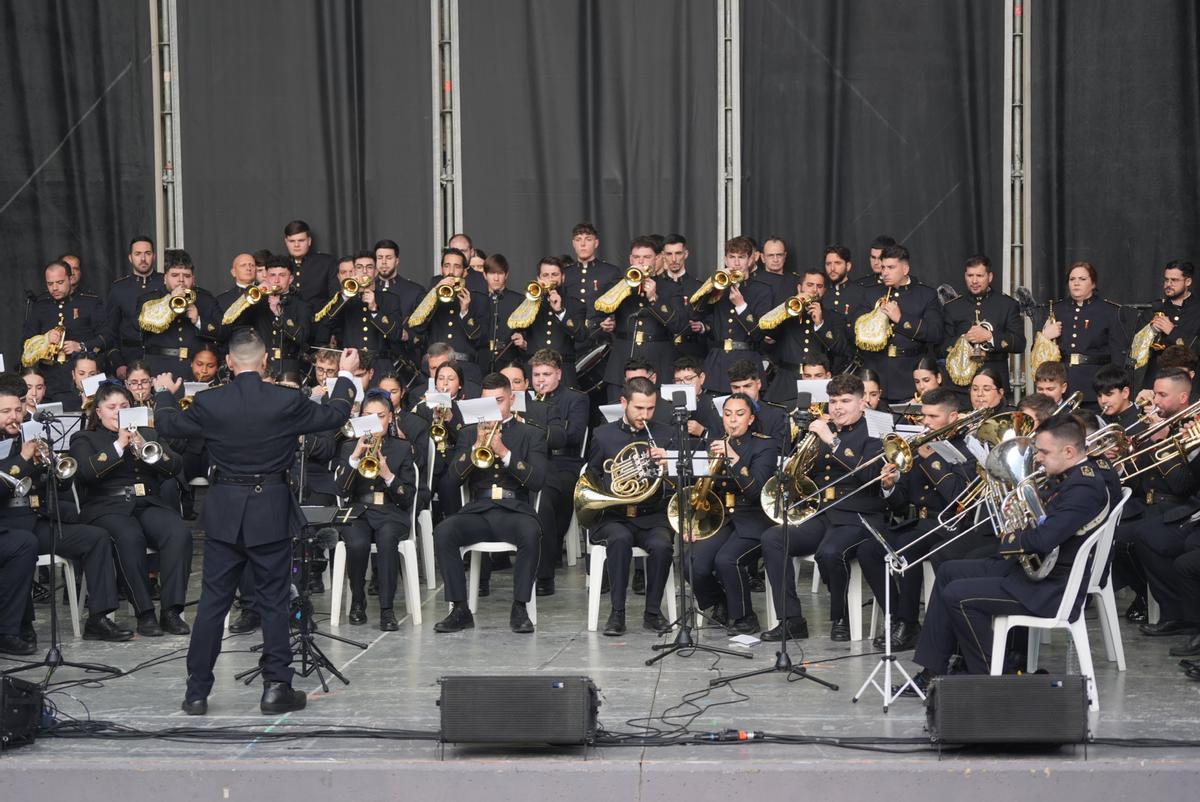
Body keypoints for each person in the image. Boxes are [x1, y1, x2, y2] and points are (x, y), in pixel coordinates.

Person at [152, 331, 360, 716]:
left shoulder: (209, 401)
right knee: (273, 600)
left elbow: (168, 426)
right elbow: (334, 415)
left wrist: (163, 392)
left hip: (225, 508)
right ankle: (275, 688)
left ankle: (196, 692)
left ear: (229, 363)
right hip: (269, 507)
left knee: (213, 603)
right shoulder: (285, 399)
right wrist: (345, 377)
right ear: (265, 362)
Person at [903, 414, 1111, 690]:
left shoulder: (1083, 487)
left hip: (1053, 587)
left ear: (1070, 452)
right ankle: (933, 671)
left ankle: (992, 677)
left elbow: (1042, 539)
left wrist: (1009, 536)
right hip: (1039, 573)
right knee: (948, 571)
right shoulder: (1067, 477)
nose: (1038, 458)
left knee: (958, 596)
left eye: (1044, 452)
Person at [0, 373, 131, 643]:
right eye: (5, 411)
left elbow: (58, 488)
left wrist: (56, 469)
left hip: (36, 520)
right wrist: (24, 459)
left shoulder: (30, 432)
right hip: (7, 526)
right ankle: (16, 626)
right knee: (23, 544)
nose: (14, 416)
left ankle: (99, 618)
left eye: (18, 408)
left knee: (95, 537)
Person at [759, 373, 885, 641]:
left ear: (862, 403)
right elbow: (804, 473)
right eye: (833, 401)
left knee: (829, 553)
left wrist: (833, 441)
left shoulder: (876, 429)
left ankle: (842, 618)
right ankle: (791, 619)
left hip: (857, 515)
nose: (838, 407)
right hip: (822, 513)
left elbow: (869, 473)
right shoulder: (824, 429)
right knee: (773, 538)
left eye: (846, 401)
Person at [69, 382, 192, 637]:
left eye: (123, 407)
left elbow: (175, 465)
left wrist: (146, 449)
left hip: (147, 503)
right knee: (129, 537)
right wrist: (119, 446)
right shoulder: (84, 438)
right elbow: (86, 473)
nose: (117, 412)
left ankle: (171, 611)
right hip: (106, 507)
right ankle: (144, 613)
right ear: (98, 411)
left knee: (178, 532)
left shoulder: (148, 434)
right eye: (111, 407)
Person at [858, 388, 976, 650]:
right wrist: (889, 485)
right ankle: (897, 614)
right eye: (924, 416)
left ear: (953, 416)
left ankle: (907, 623)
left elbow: (959, 497)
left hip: (949, 526)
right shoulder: (918, 446)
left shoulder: (965, 449)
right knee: (868, 549)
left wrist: (932, 458)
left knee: (908, 549)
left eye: (933, 417)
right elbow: (901, 502)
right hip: (918, 522)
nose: (925, 422)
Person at [431, 373, 547, 634]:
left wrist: (504, 452)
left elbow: (538, 481)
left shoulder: (531, 434)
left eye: (499, 401)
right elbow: (450, 481)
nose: (493, 408)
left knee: (531, 532)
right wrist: (474, 450)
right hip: (478, 510)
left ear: (512, 399)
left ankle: (520, 607)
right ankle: (459, 608)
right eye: (486, 402)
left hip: (515, 509)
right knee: (444, 531)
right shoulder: (469, 433)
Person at [585, 376, 675, 635]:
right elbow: (591, 477)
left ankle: (653, 612)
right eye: (639, 408)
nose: (645, 415)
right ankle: (617, 613)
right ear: (624, 402)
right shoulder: (603, 435)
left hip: (652, 514)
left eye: (650, 408)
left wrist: (668, 467)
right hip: (614, 516)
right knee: (620, 539)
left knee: (662, 545)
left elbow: (677, 485)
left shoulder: (665, 435)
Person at [683, 393, 780, 634]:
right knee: (691, 563)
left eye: (739, 415)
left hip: (754, 519)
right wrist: (694, 522)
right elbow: (705, 489)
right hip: (722, 518)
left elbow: (757, 490)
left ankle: (745, 616)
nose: (733, 420)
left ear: (751, 419)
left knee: (727, 560)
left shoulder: (765, 445)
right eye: (727, 415)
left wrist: (733, 458)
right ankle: (721, 603)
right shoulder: (715, 443)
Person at [332, 390, 417, 631]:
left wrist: (388, 475)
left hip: (391, 511)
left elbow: (408, 497)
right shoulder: (349, 447)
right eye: (368, 416)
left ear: (389, 417)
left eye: (380, 416)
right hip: (358, 509)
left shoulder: (401, 448)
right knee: (357, 543)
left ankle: (387, 609)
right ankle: (357, 601)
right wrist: (355, 458)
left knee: (388, 540)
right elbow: (340, 490)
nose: (374, 421)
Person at [594, 236, 686, 400]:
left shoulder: (671, 288)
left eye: (646, 257)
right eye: (636, 257)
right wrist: (607, 320)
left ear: (657, 259)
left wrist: (654, 299)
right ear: (630, 259)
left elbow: (679, 325)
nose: (641, 261)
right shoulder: (618, 285)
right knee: (616, 414)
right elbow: (598, 312)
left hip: (657, 363)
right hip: (622, 361)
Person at [529, 349, 589, 595]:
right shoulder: (525, 399)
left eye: (546, 374)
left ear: (559, 374)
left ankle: (546, 567)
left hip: (565, 462)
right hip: (534, 461)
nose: (540, 380)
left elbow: (574, 435)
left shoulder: (575, 399)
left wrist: (537, 428)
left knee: (547, 494)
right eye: (536, 375)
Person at [856, 244, 943, 404]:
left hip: (909, 376)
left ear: (905, 269)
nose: (885, 272)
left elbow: (935, 332)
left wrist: (901, 319)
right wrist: (875, 318)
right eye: (883, 267)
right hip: (876, 372)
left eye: (891, 267)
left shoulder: (926, 294)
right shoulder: (870, 293)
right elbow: (856, 331)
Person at [1036, 261, 1127, 403]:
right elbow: (1036, 355)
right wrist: (1045, 337)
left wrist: (1110, 388)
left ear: (1093, 284)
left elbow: (1118, 355)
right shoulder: (1056, 310)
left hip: (1094, 385)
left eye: (1082, 279)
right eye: (1072, 279)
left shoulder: (1109, 311)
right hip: (1062, 386)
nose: (1076, 283)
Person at [21, 259, 109, 404]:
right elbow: (25, 344)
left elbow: (107, 336)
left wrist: (81, 346)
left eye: (60, 282)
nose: (54, 288)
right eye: (50, 284)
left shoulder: (90, 303)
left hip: (83, 382)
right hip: (50, 381)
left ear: (70, 278)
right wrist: (45, 339)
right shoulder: (40, 306)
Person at [693, 236, 773, 394]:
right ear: (725, 260)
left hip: (747, 359)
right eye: (732, 257)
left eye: (741, 257)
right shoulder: (717, 286)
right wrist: (708, 289)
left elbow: (759, 334)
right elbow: (697, 315)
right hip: (718, 362)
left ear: (750, 260)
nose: (736, 263)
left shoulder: (762, 290)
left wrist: (741, 306)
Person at [762, 267, 852, 404]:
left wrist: (820, 324)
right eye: (809, 285)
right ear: (800, 288)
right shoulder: (787, 314)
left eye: (819, 286)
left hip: (817, 382)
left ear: (824, 291)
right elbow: (766, 332)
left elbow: (841, 349)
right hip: (787, 381)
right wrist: (785, 311)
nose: (814, 290)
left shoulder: (834, 318)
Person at [940, 255, 1026, 392]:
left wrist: (989, 337)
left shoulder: (1007, 305)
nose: (974, 281)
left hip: (995, 379)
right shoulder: (952, 307)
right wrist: (963, 340)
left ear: (990, 277)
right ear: (965, 276)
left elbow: (1020, 343)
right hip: (962, 383)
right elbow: (940, 347)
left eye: (979, 276)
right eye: (970, 275)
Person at [407, 248, 489, 383]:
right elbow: (417, 329)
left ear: (465, 271)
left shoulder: (478, 299)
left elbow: (481, 340)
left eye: (457, 267)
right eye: (447, 266)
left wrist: (465, 312)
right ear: (441, 269)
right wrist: (433, 296)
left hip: (465, 369)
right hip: (434, 369)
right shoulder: (428, 297)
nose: (451, 272)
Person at [137, 249, 221, 378]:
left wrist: (199, 320)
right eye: (175, 275)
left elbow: (223, 332)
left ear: (193, 279)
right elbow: (144, 324)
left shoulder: (206, 299)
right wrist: (169, 302)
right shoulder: (149, 299)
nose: (181, 280)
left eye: (186, 276)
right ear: (165, 278)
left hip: (195, 370)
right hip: (159, 369)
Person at [508, 257, 588, 388]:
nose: (550, 279)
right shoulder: (528, 302)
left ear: (563, 277)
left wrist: (560, 311)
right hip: (534, 371)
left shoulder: (575, 305)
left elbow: (582, 336)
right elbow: (517, 327)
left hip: (564, 372)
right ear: (538, 278)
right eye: (545, 275)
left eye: (554, 275)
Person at [1135, 260, 1200, 389]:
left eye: (1174, 280)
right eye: (1166, 280)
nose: (1168, 284)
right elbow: (1135, 353)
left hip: (1190, 384)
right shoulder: (1153, 309)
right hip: (1156, 382)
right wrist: (1151, 331)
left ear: (1188, 282)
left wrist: (1172, 331)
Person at [105, 235, 163, 378]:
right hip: (128, 360)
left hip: (160, 359)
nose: (143, 259)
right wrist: (118, 363)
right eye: (138, 254)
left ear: (154, 256)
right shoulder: (118, 288)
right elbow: (111, 331)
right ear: (130, 257)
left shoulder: (165, 282)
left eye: (147, 254)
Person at [561, 221, 621, 324]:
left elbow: (620, 308)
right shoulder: (564, 274)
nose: (583, 244)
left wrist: (613, 322)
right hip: (572, 335)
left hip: (600, 334)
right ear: (573, 244)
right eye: (578, 240)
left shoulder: (611, 272)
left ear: (596, 243)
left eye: (588, 239)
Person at [478, 254, 524, 373]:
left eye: (500, 273)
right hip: (481, 362)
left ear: (506, 275)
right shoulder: (477, 299)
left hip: (509, 361)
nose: (496, 278)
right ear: (484, 275)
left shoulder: (518, 300)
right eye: (492, 273)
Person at [282, 219, 339, 308]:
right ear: (286, 242)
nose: (296, 245)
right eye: (292, 241)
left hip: (319, 319)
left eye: (301, 240)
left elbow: (335, 299)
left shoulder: (327, 263)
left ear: (309, 241)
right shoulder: (280, 265)